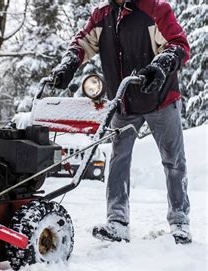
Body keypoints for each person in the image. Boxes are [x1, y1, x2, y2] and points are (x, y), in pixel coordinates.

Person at [51, 0, 191, 244]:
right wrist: (69, 65)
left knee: (174, 161)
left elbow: (179, 45)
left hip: (161, 99)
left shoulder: (155, 9)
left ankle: (179, 222)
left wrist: (159, 67)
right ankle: (117, 221)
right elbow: (81, 44)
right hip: (124, 102)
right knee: (118, 160)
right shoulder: (101, 16)